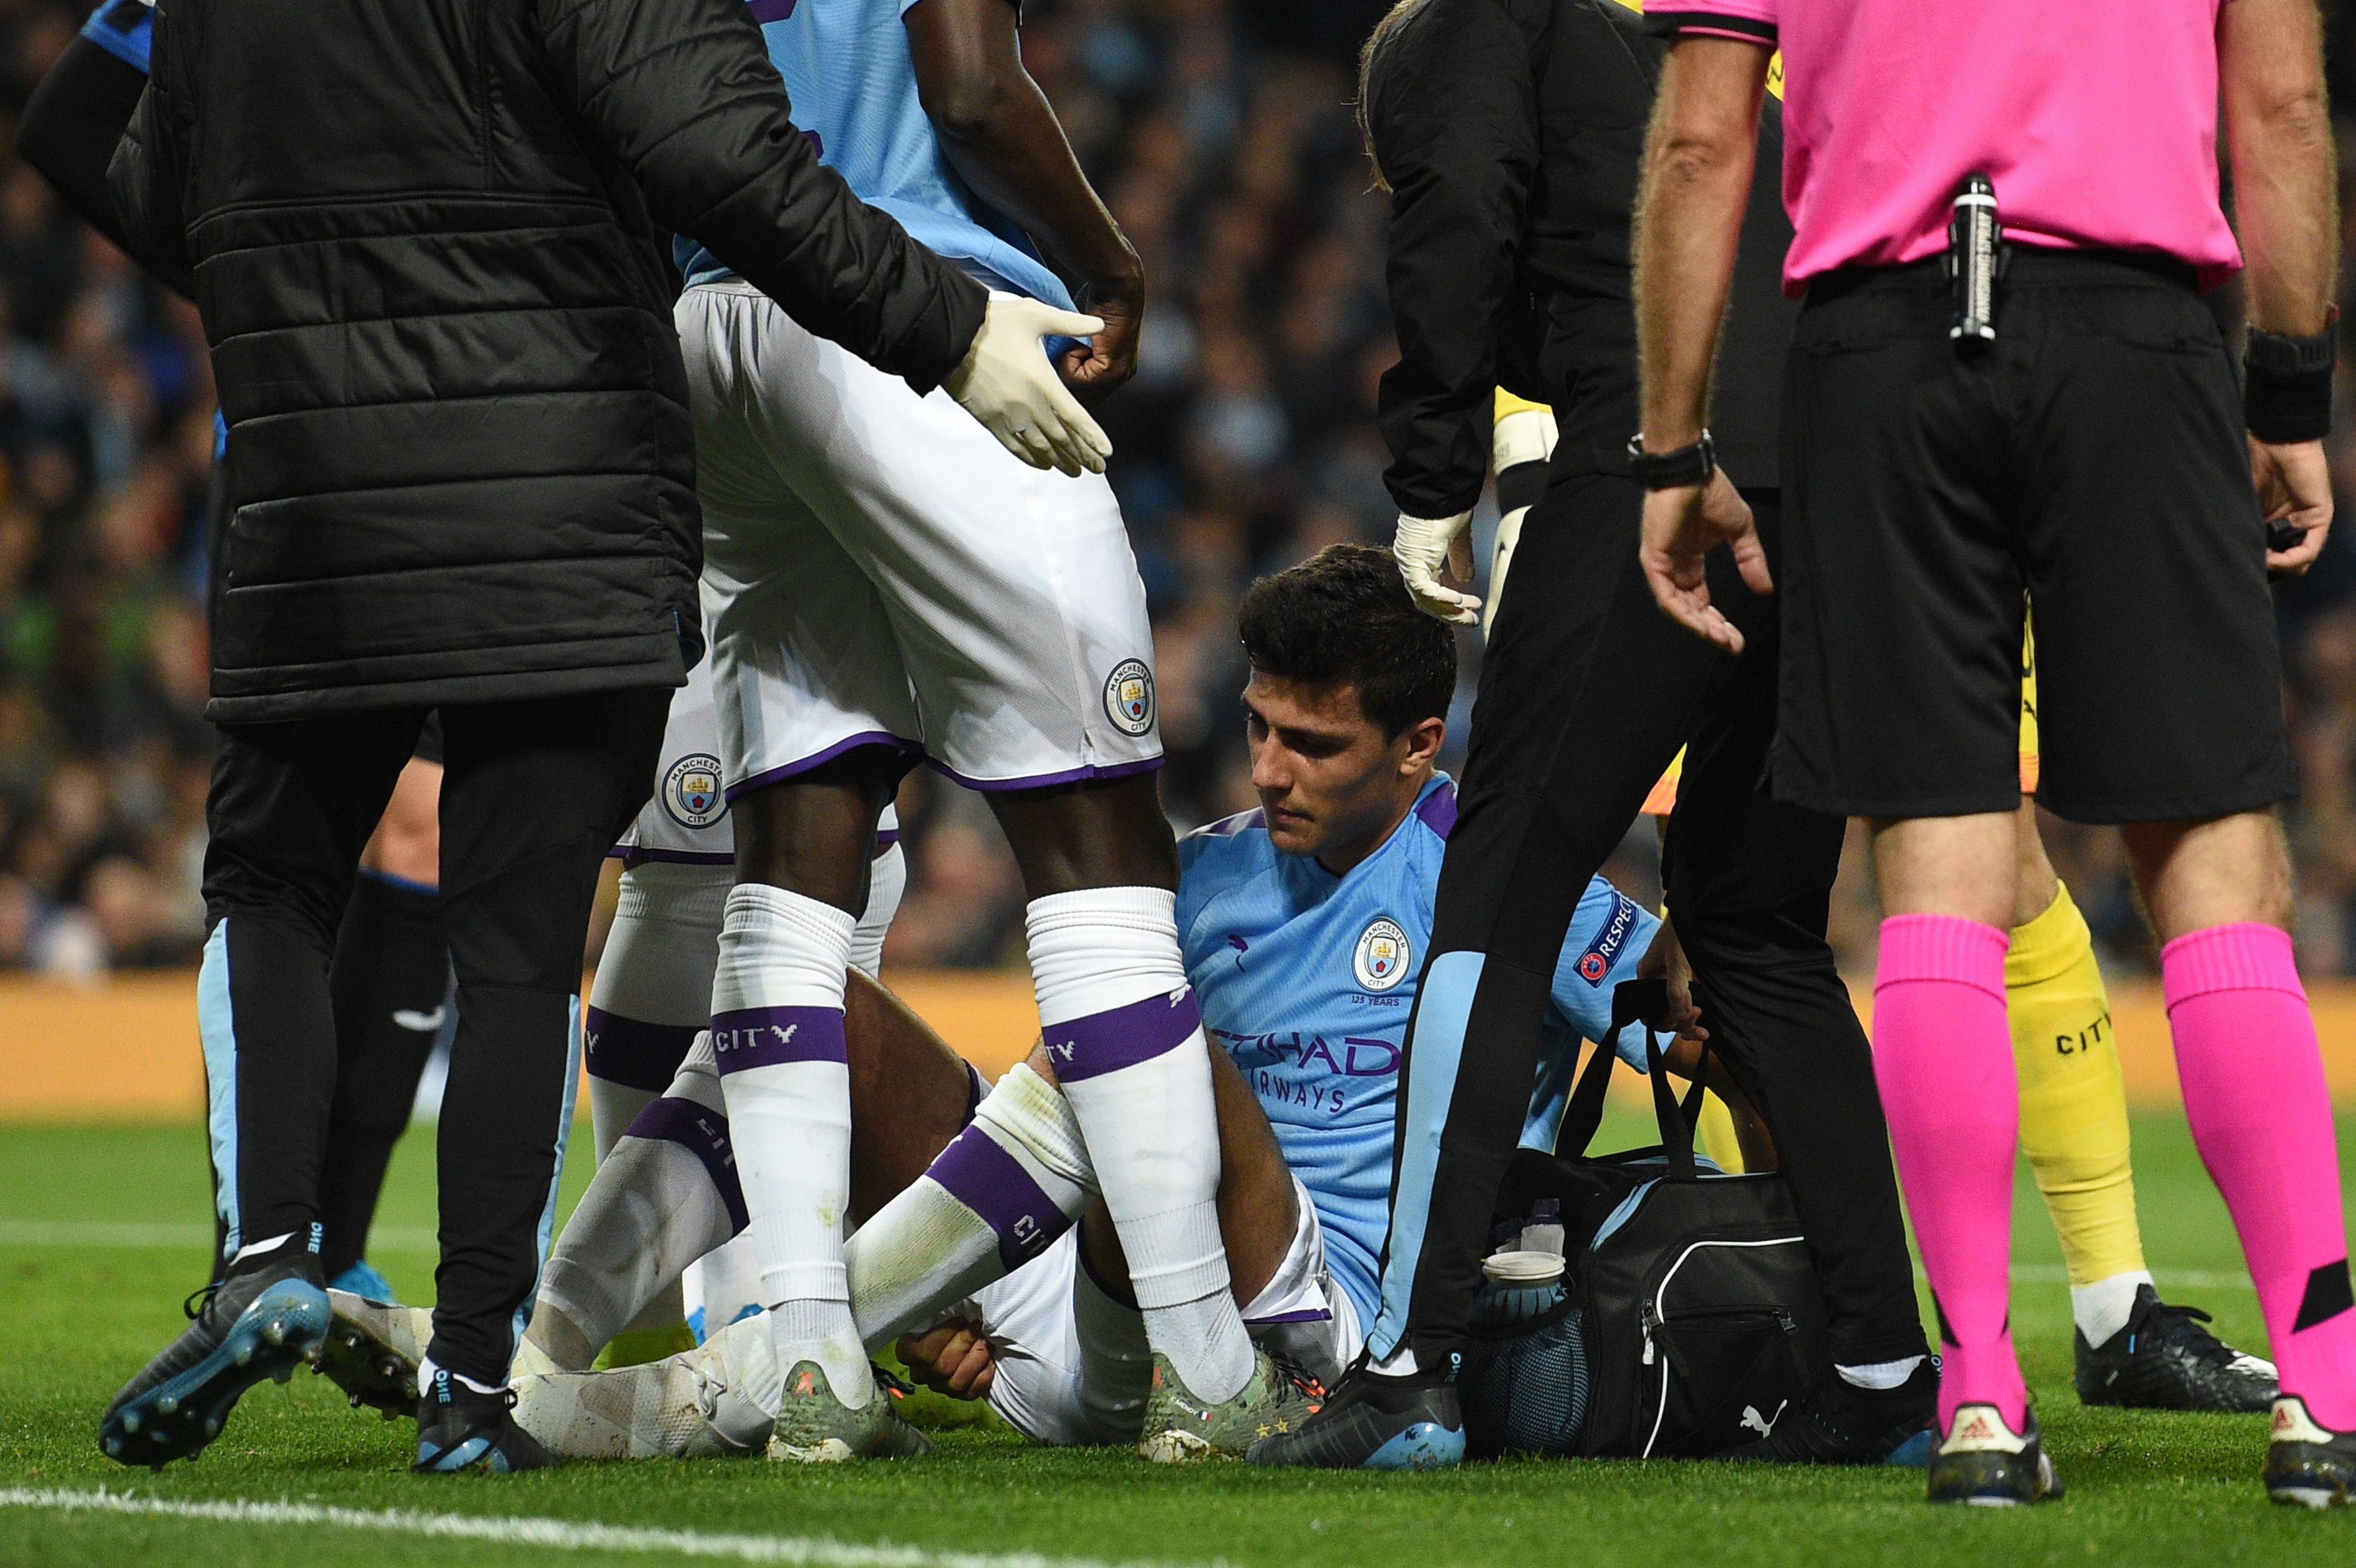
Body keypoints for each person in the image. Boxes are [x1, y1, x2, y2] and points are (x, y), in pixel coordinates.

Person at [94, 0, 1101, 1477]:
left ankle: (262, 1261)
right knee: (514, 953)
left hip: (314, 491)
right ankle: (476, 1384)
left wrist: (330, 306)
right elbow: (732, 163)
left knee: (272, 885)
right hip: (565, 504)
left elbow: (132, 168)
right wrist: (948, 328)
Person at [323, 543, 1691, 1460]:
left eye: (1314, 745)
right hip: (1093, 1291)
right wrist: (951, 1277)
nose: (1270, 770)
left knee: (1154, 1040)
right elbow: (1064, 1103)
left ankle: (723, 1383)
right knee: (812, 1010)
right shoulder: (1201, 878)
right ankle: (543, 1344)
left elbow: (1693, 1015)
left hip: (1309, 1327)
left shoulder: (1499, 883)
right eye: (1262, 729)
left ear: (1416, 747)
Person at [1633, 0, 2354, 1507]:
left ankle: (1979, 1405)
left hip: (1878, 353)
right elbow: (2280, 111)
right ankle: (2328, 1401)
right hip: (2136, 335)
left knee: (1939, 879)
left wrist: (1672, 447)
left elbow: (1705, 139)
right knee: (2218, 871)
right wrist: (2288, 399)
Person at [1254, 0, 1932, 1473]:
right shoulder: (1697, 57)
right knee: (1759, 930)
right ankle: (1885, 1373)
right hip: (1838, 491)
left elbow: (1460, 230)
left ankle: (1410, 1365)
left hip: (1651, 462)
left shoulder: (1462, 32)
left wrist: (1434, 472)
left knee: (1492, 909)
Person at [668, 0, 1287, 1462]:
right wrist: (1110, 262)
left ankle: (813, 1358)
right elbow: (966, 86)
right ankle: (1206, 1364)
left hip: (705, 330)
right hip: (920, 317)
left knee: (794, 856)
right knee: (1099, 857)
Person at [15, 6, 458, 1305]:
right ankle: (257, 1235)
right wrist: (246, 271)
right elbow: (71, 117)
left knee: (424, 826)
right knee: (287, 851)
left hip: (466, 448)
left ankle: (335, 1242)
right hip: (301, 456)